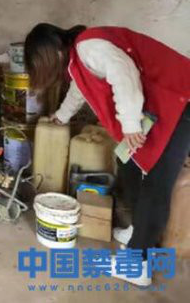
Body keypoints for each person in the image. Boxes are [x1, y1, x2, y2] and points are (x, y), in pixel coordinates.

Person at [24, 24, 190, 286]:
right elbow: (80, 89)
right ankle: (138, 230)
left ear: (53, 54)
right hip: (159, 106)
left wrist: (130, 124)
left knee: (157, 183)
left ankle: (137, 264)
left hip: (180, 100)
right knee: (127, 161)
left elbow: (124, 73)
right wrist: (62, 116)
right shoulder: (78, 59)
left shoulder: (89, 47)